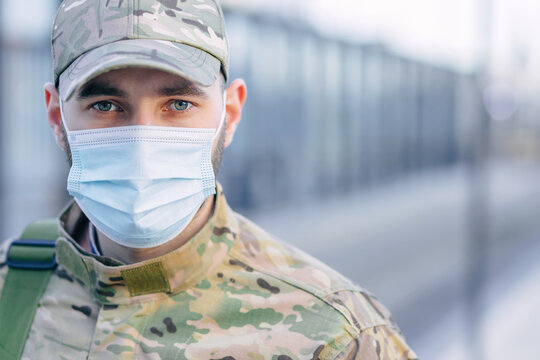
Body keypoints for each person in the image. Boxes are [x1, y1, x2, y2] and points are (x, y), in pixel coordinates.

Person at [0, 0, 417, 359]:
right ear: (56, 117)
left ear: (229, 114)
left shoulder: (335, 337)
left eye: (179, 103)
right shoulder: (8, 291)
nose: (145, 140)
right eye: (106, 105)